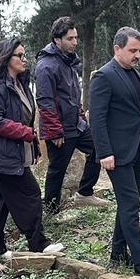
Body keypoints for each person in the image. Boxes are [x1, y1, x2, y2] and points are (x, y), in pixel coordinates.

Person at [0, 37, 64, 261]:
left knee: (3, 200)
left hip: (14, 150)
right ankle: (39, 244)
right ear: (7, 58)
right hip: (2, 154)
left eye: (25, 55)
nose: (25, 60)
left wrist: (29, 140)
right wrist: (24, 132)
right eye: (20, 56)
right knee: (31, 193)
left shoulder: (20, 83)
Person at [89, 26, 140, 279]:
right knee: (130, 203)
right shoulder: (103, 76)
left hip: (137, 150)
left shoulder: (136, 75)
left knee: (128, 202)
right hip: (116, 154)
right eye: (133, 50)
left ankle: (117, 253)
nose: (138, 55)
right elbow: (97, 119)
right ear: (117, 48)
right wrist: (104, 152)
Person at [34, 16, 109, 214]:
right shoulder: (46, 65)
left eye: (76, 37)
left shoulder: (68, 61)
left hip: (77, 125)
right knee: (57, 170)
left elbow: (71, 94)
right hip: (59, 129)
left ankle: (84, 193)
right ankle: (51, 211)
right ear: (57, 39)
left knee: (99, 148)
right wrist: (54, 131)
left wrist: (81, 115)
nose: (75, 42)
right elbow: (44, 100)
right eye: (70, 38)